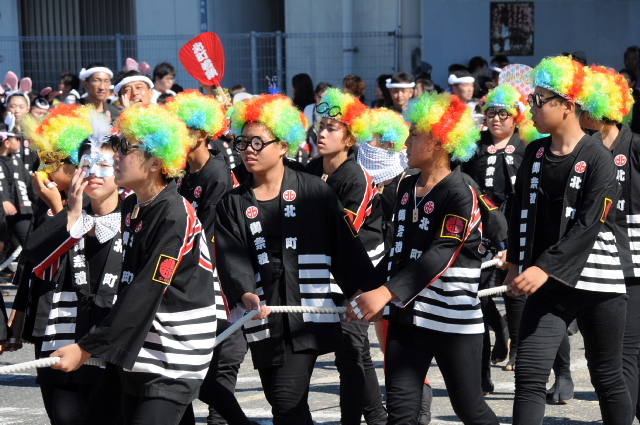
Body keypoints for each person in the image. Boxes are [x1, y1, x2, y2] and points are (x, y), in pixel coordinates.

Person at [52, 104, 220, 425]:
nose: (116, 156)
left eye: (126, 148)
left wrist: (86, 347)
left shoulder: (174, 214)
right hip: (136, 345)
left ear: (156, 162)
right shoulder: (132, 206)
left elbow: (146, 289)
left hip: (172, 356)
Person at [215, 93, 375, 425]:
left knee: (286, 399)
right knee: (283, 403)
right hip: (263, 314)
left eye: (258, 143)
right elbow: (231, 257)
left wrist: (365, 290)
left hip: (307, 311)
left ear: (284, 146)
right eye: (244, 142)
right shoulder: (232, 202)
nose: (249, 150)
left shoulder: (314, 189)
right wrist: (245, 292)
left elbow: (344, 245)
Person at [346, 91, 499, 425]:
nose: (406, 143)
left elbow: (441, 253)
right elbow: (396, 252)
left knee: (469, 409)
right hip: (407, 318)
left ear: (438, 142)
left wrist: (385, 293)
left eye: (414, 135)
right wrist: (365, 290)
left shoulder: (460, 192)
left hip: (452, 320)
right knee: (401, 413)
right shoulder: (405, 187)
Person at [507, 55, 630, 425]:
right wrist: (515, 263)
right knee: (529, 375)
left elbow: (589, 224)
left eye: (539, 100)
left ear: (568, 105)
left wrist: (542, 268)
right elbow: (519, 211)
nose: (531, 107)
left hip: (598, 284)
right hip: (548, 284)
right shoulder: (534, 152)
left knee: (607, 377)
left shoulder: (599, 157)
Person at [21, 106, 123, 425]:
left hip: (109, 344)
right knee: (63, 417)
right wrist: (70, 213)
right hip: (61, 339)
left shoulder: (137, 218)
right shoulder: (70, 216)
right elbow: (34, 257)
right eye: (86, 164)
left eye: (104, 165)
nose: (93, 172)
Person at [165, 90, 255, 425]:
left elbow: (205, 232)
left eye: (186, 129)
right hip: (190, 275)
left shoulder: (217, 173)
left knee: (212, 371)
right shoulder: (183, 172)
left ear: (203, 133)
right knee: (190, 373)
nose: (179, 135)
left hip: (214, 278)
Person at [305, 88, 386, 425]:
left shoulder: (357, 177)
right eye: (321, 126)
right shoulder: (312, 168)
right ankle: (377, 417)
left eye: (332, 128)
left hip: (359, 273)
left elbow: (343, 232)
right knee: (353, 351)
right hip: (326, 269)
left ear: (350, 139)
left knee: (350, 351)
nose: (322, 133)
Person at [462, 84, 545, 384]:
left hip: (518, 224)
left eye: (503, 113)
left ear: (516, 117)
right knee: (481, 294)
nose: (496, 118)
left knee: (515, 293)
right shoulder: (474, 145)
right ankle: (496, 339)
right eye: (491, 113)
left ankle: (519, 350)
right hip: (483, 227)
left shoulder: (528, 144)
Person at [577, 65, 640, 420]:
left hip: (633, 265)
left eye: (585, 106)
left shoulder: (635, 146)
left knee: (625, 353)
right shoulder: (582, 151)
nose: (579, 112)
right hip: (593, 263)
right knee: (602, 357)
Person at [0, 115, 36, 248]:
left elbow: (30, 185)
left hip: (20, 210)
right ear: (7, 143)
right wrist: (3, 201)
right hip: (1, 211)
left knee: (30, 242)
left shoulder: (17, 161)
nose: (21, 142)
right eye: (17, 139)